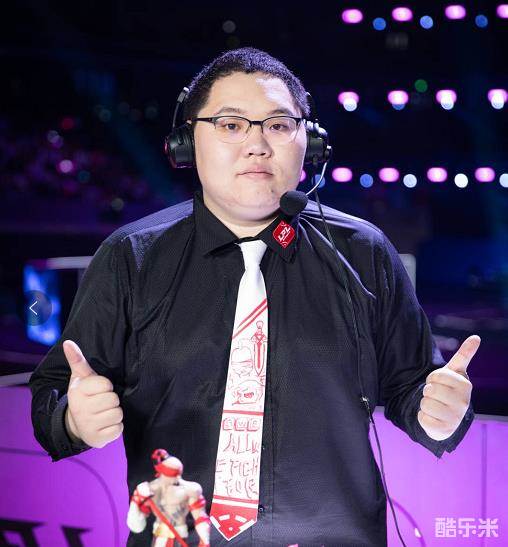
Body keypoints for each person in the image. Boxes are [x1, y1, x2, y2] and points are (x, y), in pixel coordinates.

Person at [29, 47, 478, 546]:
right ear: (186, 142)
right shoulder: (130, 257)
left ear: (310, 144)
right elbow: (54, 392)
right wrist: (73, 419)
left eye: (279, 125)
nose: (257, 145)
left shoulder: (363, 253)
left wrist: (439, 414)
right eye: (231, 125)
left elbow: (413, 387)